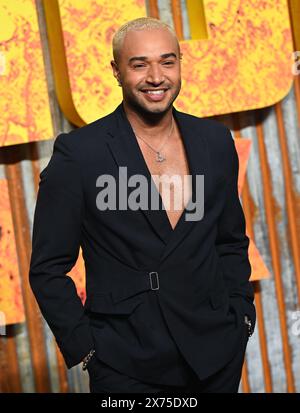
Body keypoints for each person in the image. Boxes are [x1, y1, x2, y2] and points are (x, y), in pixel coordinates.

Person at [29, 17, 256, 393]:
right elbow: (48, 268)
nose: (156, 76)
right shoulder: (80, 155)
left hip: (216, 352)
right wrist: (86, 351)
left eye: (167, 61)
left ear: (181, 63)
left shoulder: (214, 141)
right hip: (127, 361)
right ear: (116, 71)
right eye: (140, 64)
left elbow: (230, 240)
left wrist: (241, 315)